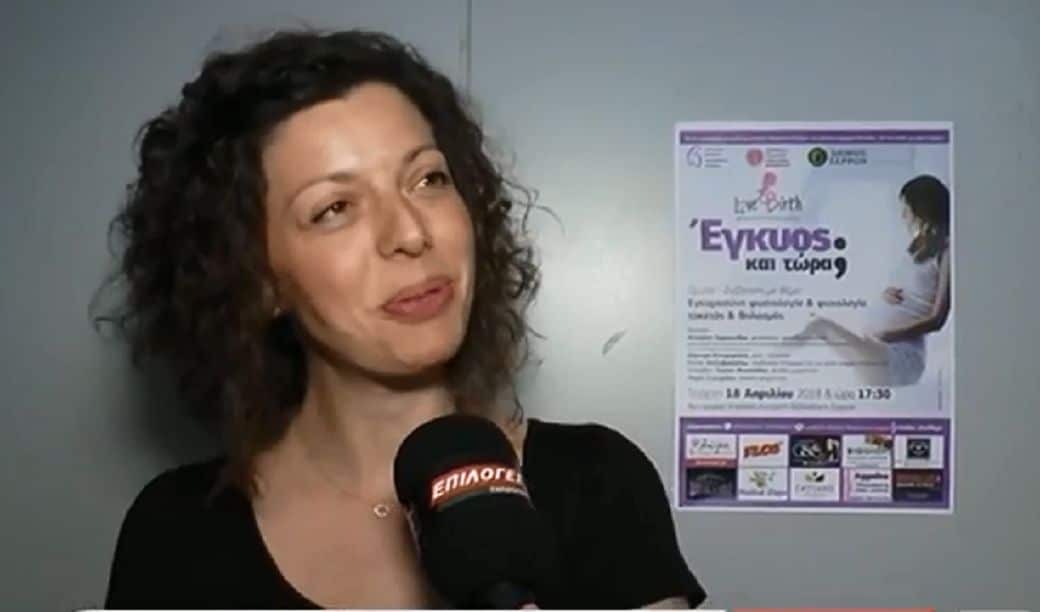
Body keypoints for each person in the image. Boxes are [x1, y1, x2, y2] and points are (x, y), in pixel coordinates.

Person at [95, 29, 706, 609]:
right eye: (335, 208)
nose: (411, 233)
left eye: (428, 179)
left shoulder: (597, 486)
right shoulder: (175, 531)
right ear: (255, 277)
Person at [803, 175, 951, 386]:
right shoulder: (918, 247)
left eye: (906, 208)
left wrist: (887, 334)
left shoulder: (947, 252)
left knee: (820, 327)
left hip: (901, 355)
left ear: (921, 208)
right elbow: (913, 291)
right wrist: (887, 294)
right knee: (819, 341)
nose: (903, 215)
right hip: (882, 346)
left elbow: (937, 319)